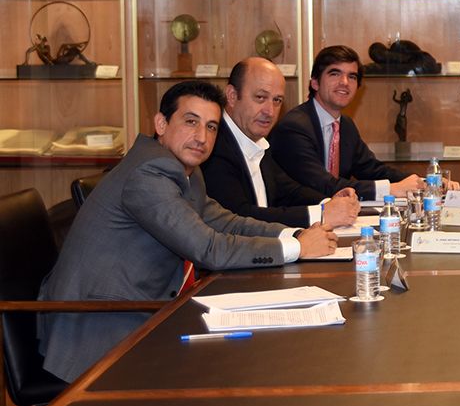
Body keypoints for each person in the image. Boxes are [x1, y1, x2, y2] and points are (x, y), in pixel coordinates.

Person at [38, 80, 338, 383]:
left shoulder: (181, 169)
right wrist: (299, 248)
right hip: (103, 327)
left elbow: (225, 221)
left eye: (211, 127)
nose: (201, 137)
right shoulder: (148, 174)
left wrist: (295, 234)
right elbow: (208, 248)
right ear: (161, 124)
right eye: (191, 122)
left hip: (145, 310)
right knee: (236, 368)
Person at [202, 57, 361, 229]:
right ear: (232, 96)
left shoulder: (257, 140)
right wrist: (321, 213)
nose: (270, 111)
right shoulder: (213, 144)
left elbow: (288, 190)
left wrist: (330, 202)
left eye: (277, 100)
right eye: (260, 97)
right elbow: (240, 217)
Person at [269, 45, 431, 201]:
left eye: (352, 76)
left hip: (338, 213)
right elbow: (323, 185)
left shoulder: (345, 125)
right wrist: (390, 189)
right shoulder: (294, 127)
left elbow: (372, 170)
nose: (345, 82)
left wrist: (424, 182)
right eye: (335, 74)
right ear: (315, 83)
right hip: (301, 215)